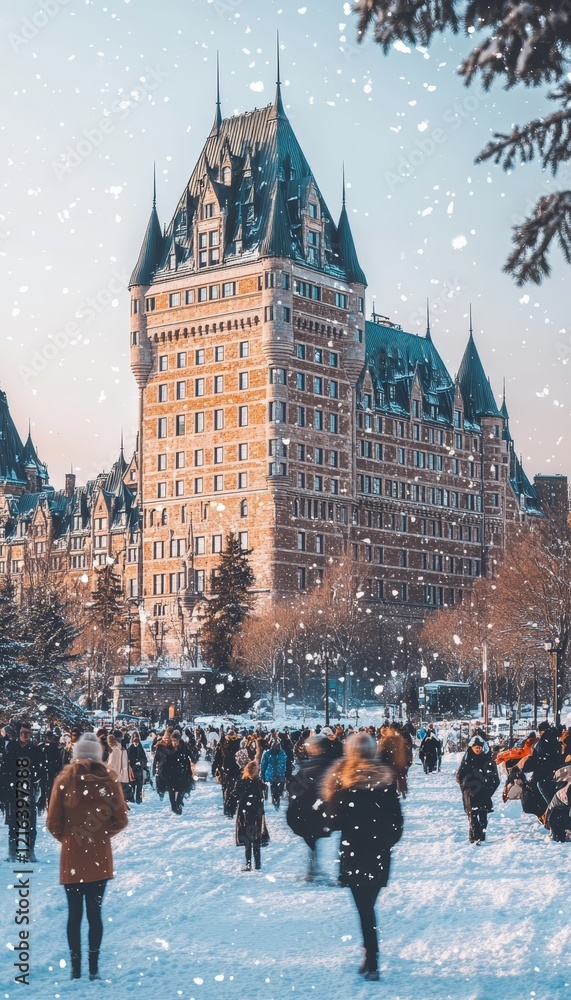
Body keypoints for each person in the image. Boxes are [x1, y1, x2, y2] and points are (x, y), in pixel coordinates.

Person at [46, 732, 128, 981]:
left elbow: (53, 823)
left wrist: (70, 839)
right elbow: (121, 820)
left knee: (74, 915)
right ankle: (93, 967)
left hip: (72, 857)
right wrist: (101, 834)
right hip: (99, 857)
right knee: (95, 913)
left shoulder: (64, 780)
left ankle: (75, 968)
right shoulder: (109, 781)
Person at [322, 732, 403, 982]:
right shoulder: (386, 781)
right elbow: (397, 824)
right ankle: (371, 956)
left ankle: (371, 958)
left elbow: (333, 820)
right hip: (378, 854)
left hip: (354, 852)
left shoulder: (344, 783)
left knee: (364, 908)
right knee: (368, 906)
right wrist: (385, 841)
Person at [0, 721, 48, 863]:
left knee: (30, 823)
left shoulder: (36, 750)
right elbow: (5, 769)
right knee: (14, 823)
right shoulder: (12, 748)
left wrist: (35, 780)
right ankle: (12, 852)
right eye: (22, 733)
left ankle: (30, 851)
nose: (25, 735)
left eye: (27, 733)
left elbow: (41, 771)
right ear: (19, 734)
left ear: (31, 734)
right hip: (13, 789)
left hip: (30, 790)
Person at [286, 732, 331, 878]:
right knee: (313, 837)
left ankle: (313, 866)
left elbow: (296, 786)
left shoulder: (311, 766)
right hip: (317, 808)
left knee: (312, 838)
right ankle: (313, 866)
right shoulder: (323, 765)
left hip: (310, 808)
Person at [456, 735, 500, 844]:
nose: (478, 749)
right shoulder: (467, 760)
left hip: (484, 793)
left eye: (479, 747)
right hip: (470, 794)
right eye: (475, 747)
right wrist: (466, 788)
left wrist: (489, 791)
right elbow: (459, 776)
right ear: (471, 747)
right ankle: (476, 837)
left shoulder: (487, 760)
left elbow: (495, 780)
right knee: (473, 816)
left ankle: (480, 834)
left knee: (483, 817)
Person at [235, 760, 269, 871]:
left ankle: (249, 863)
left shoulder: (242, 782)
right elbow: (263, 796)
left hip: (245, 813)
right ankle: (257, 863)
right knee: (256, 839)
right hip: (257, 814)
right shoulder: (259, 784)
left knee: (247, 840)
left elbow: (236, 795)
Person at [521, 721, 563, 807]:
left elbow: (537, 760)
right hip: (557, 772)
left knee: (546, 794)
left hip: (545, 774)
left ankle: (553, 811)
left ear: (541, 731)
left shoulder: (542, 742)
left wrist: (526, 767)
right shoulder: (555, 739)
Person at [163, 730, 194, 814]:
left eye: (176, 741)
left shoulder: (183, 748)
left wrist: (189, 771)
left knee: (182, 789)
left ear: (179, 740)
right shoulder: (168, 748)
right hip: (171, 774)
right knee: (171, 791)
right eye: (173, 741)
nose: (174, 743)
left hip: (181, 773)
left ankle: (179, 802)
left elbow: (189, 758)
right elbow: (165, 762)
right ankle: (174, 806)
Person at [377, 723, 409, 797]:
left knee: (391, 782)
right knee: (396, 780)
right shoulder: (398, 740)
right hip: (395, 764)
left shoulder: (386, 740)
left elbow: (380, 754)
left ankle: (395, 792)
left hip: (390, 765)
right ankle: (399, 791)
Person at [260, 737, 288, 810]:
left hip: (278, 775)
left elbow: (286, 764)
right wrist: (262, 776)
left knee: (278, 791)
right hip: (274, 775)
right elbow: (263, 765)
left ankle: (276, 802)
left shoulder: (282, 753)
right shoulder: (269, 754)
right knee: (275, 791)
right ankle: (276, 803)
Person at [106, 733, 132, 803]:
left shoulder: (114, 751)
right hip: (123, 777)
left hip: (115, 777)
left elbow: (111, 765)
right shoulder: (122, 749)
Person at [127, 732, 148, 804]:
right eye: (134, 742)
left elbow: (144, 758)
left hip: (139, 769)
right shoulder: (130, 749)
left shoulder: (140, 748)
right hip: (132, 770)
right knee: (132, 786)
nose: (136, 743)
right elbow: (128, 759)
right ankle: (132, 800)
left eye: (137, 742)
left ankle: (138, 800)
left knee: (139, 786)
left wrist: (141, 763)